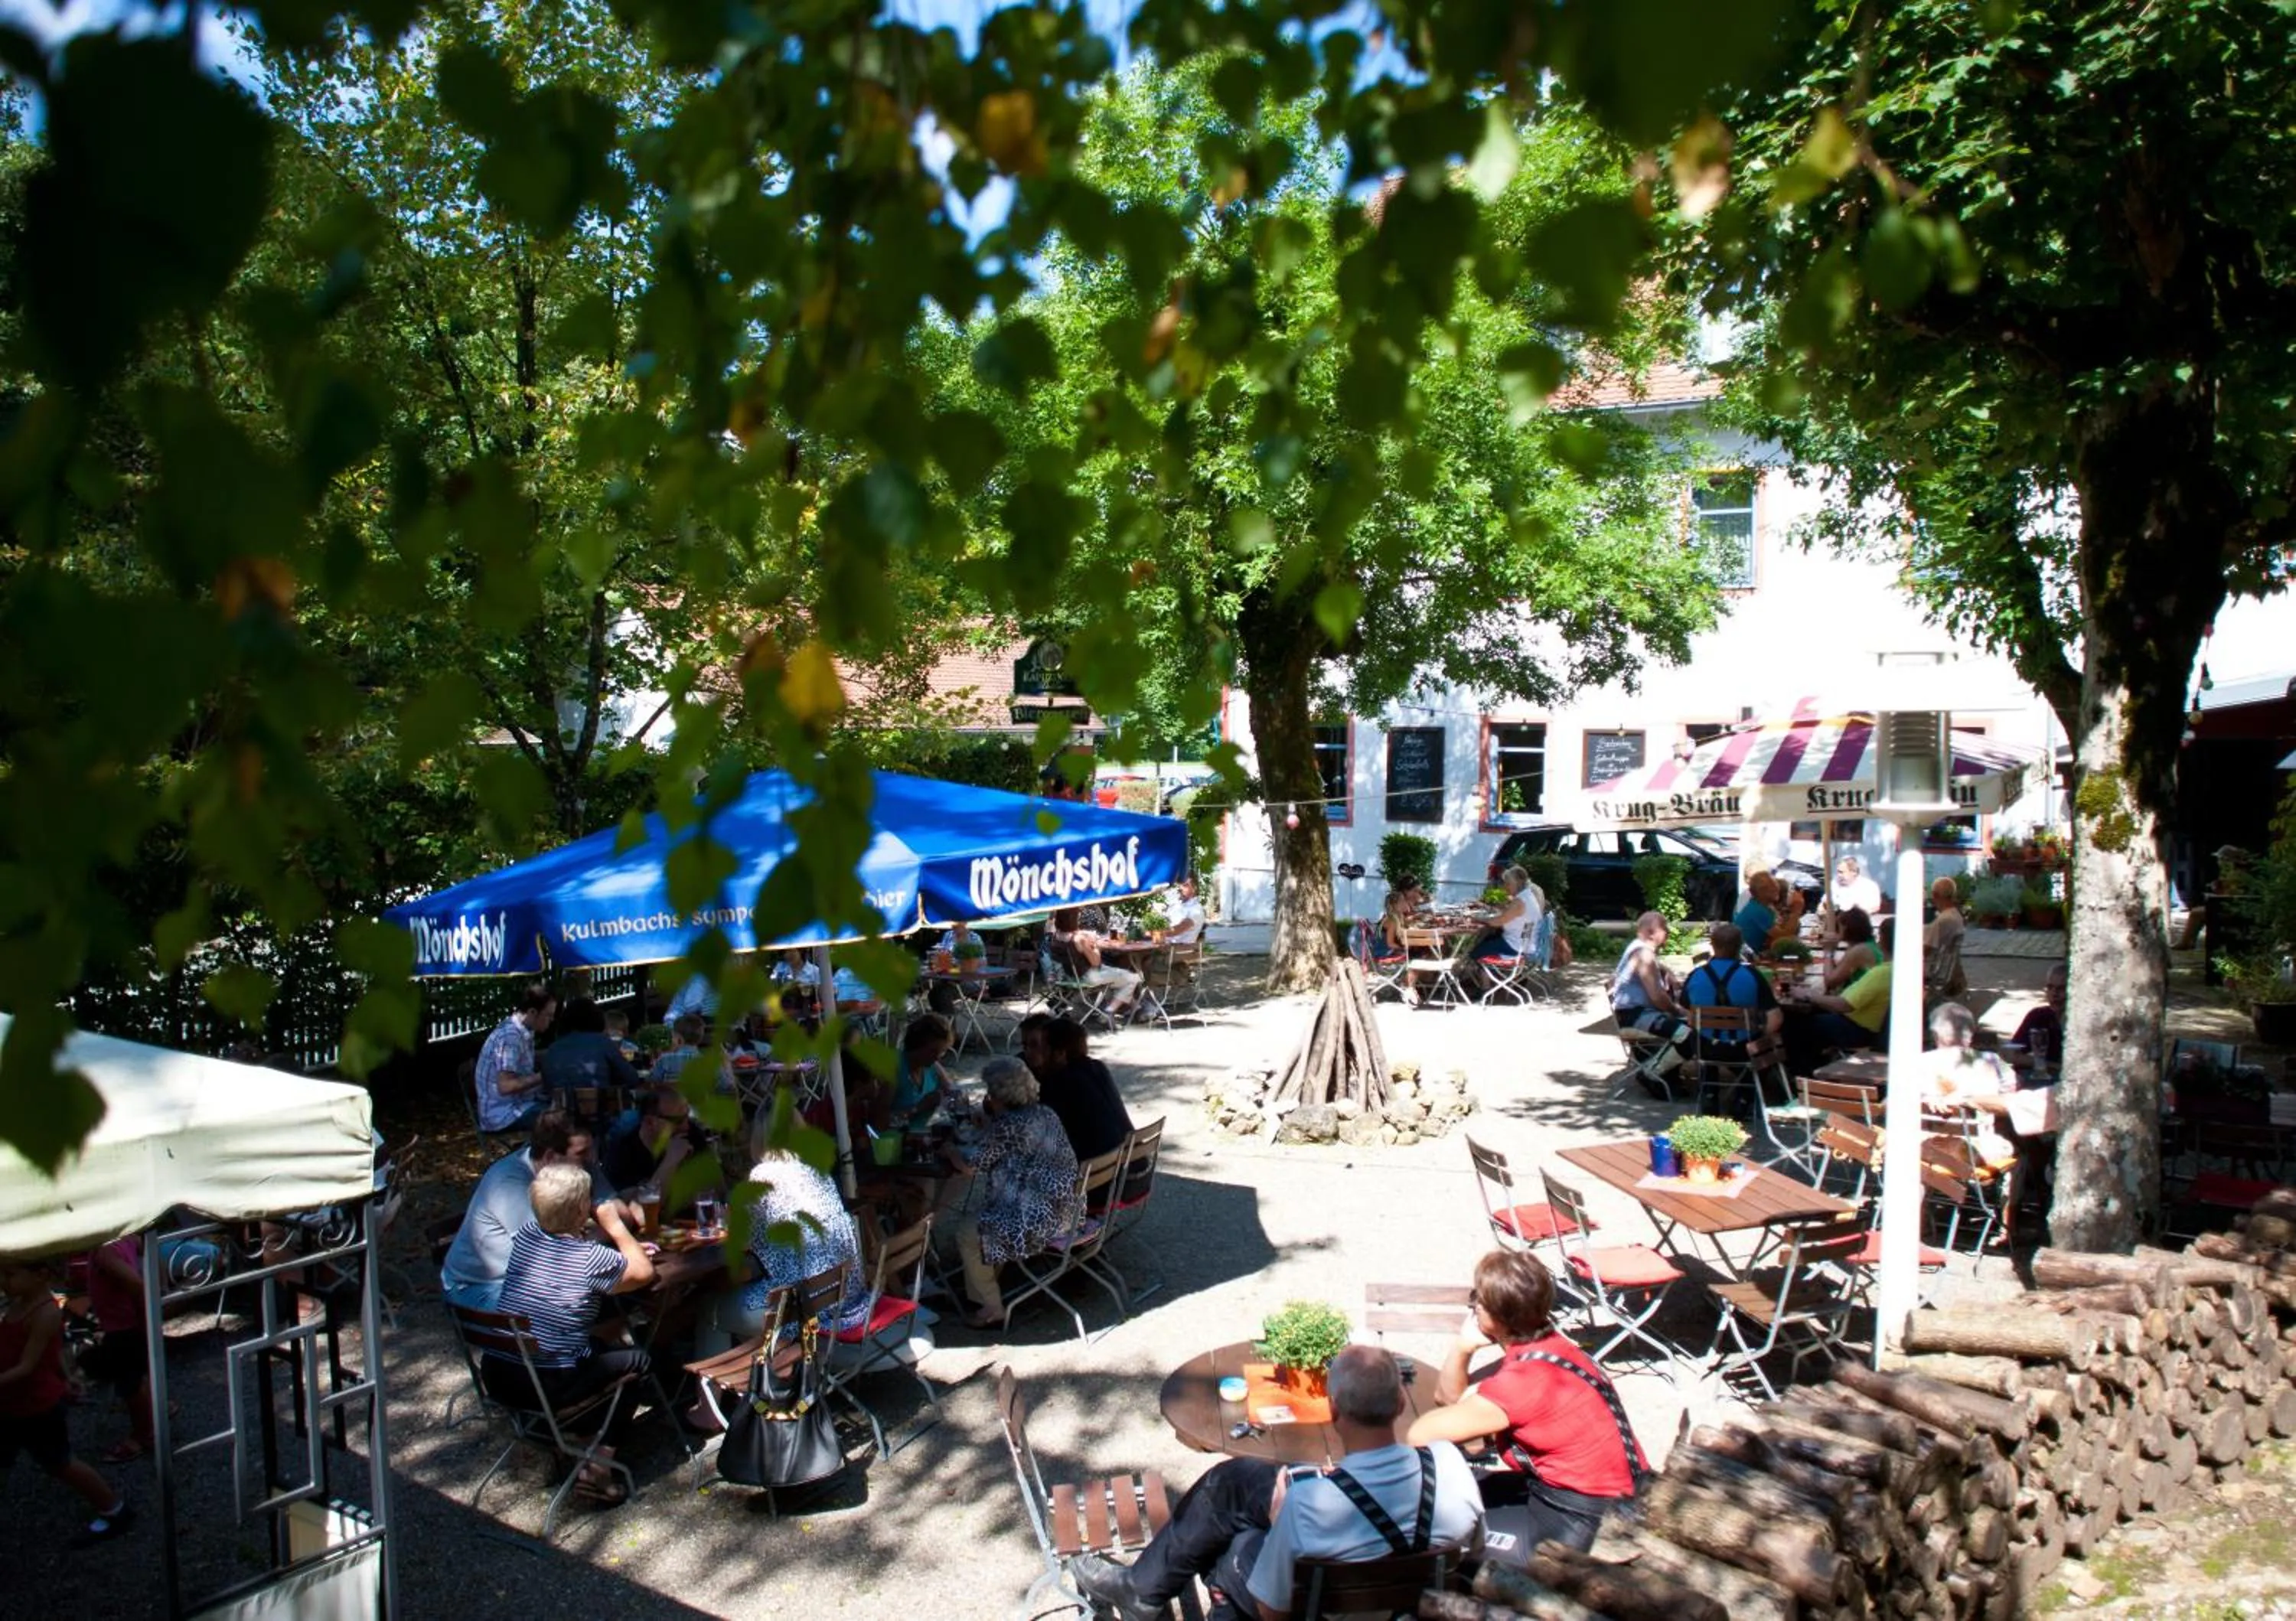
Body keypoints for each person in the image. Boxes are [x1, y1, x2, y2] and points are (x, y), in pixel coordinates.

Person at [1069, 1345, 1484, 1621]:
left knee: (1234, 1539)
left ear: (1333, 1411)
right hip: (1408, 1601)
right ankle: (1144, 1588)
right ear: (1399, 1405)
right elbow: (1471, 1551)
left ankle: (1143, 1590)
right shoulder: (1449, 1465)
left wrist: (1287, 1516)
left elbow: (1273, 1612)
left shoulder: (1309, 1504)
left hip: (1326, 1609)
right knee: (1237, 1485)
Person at [1404, 1251, 1644, 1555]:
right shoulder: (1552, 1349)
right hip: (1612, 1498)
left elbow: (1420, 1434)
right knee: (1470, 1488)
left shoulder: (1522, 1383)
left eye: (1479, 1299)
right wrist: (1464, 1346)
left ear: (1498, 1316)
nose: (1474, 1305)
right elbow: (1449, 1399)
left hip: (1584, 1520)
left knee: (1447, 1531)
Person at [484, 1163, 656, 1508]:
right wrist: (618, 1231)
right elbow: (644, 1274)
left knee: (598, 1344)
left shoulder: (528, 1236)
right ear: (583, 1209)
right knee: (638, 1360)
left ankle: (583, 1436)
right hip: (549, 1383)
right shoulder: (591, 1259)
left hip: (502, 1371)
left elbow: (565, 1249)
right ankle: (599, 1467)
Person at [695, 1119, 872, 1357]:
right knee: (747, 1288)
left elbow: (746, 1240)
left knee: (709, 1308)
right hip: (847, 1299)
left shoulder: (764, 1176)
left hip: (805, 1310)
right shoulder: (815, 1168)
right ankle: (770, 1374)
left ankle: (715, 1392)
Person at [0, 1256, 133, 1544]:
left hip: (36, 1406)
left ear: (41, 1275)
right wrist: (67, 1377)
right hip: (12, 1402)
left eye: (10, 1274)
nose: (4, 1282)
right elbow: (55, 1352)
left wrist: (61, 1380)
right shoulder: (19, 1302)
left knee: (60, 1462)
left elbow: (29, 1365)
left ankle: (115, 1509)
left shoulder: (45, 1312)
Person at [945, 1056, 1084, 1331]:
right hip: (1067, 1212)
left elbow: (971, 1167)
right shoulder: (1045, 1113)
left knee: (967, 1231)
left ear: (998, 1095)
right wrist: (989, 1125)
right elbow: (1014, 1142)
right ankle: (984, 1289)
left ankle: (991, 1307)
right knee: (979, 1225)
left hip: (1034, 1221)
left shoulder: (1007, 1125)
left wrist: (949, 1150)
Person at [442, 1111, 628, 1309]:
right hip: (482, 1286)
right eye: (582, 1153)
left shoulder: (579, 1165)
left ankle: (613, 1337)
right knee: (579, 1301)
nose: (592, 1159)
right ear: (550, 1157)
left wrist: (590, 1240)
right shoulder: (510, 1183)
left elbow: (622, 1214)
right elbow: (549, 1255)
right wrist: (608, 1236)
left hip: (534, 1276)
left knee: (625, 1290)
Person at [1680, 921, 1784, 1119]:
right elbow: (1776, 1018)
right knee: (1770, 1043)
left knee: (1700, 1035)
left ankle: (1710, 1093)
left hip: (1706, 1048)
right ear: (1740, 946)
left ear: (1712, 945)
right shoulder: (1752, 975)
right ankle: (1744, 1097)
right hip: (1744, 1049)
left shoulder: (1696, 975)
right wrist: (1760, 1037)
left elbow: (1688, 1014)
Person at [1788, 918, 1894, 1073]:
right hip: (1872, 1027)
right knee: (1807, 1018)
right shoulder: (1896, 968)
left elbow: (1843, 1002)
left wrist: (1807, 995)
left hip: (1859, 1029)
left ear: (1883, 940)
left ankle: (1804, 1075)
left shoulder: (1881, 970)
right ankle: (1814, 1066)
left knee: (1795, 1025)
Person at [82, 1237, 155, 1463]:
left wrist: (146, 1317)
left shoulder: (104, 1250)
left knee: (129, 1383)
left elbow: (135, 1284)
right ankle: (155, 1412)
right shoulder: (126, 1237)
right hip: (124, 1324)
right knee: (136, 1375)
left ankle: (143, 1435)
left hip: (124, 1327)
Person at [1035, 1016, 1134, 1169]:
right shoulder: (1098, 1068)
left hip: (1099, 1178)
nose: (1039, 1055)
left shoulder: (1059, 1083)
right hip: (1128, 1168)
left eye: (1043, 1049)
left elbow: (1040, 1132)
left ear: (1060, 1053)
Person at [1609, 912, 1691, 1096]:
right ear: (1651, 932)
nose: (1668, 933)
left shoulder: (1637, 948)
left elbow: (1654, 966)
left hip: (1633, 1013)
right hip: (1635, 1016)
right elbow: (1657, 997)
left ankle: (1668, 1078)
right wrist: (1678, 1011)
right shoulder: (1644, 954)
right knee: (1689, 1034)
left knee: (1685, 1029)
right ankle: (1651, 1073)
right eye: (1665, 929)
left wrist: (1667, 971)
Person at [474, 982, 556, 1133]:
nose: (551, 1020)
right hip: (503, 1115)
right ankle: (540, 1156)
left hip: (519, 1103)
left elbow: (521, 1058)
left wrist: (557, 1053)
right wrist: (544, 1075)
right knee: (560, 1119)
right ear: (532, 1012)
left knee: (562, 1106)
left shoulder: (522, 1029)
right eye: (548, 1015)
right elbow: (506, 1086)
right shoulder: (510, 1038)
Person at [600, 1082, 709, 1195]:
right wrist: (671, 1161)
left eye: (687, 1117)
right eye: (678, 1121)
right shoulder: (622, 1153)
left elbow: (717, 1190)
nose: (686, 1126)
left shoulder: (692, 1134)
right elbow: (639, 1207)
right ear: (650, 1122)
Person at [541, 996, 646, 1101]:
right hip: (598, 1111)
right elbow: (632, 1079)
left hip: (560, 1113)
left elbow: (547, 1087)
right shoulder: (603, 1042)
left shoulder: (552, 1049)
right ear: (597, 1018)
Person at [1048, 906, 1142, 1017]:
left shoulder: (1056, 936)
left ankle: (1137, 1007)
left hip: (1069, 976)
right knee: (1133, 978)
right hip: (1089, 976)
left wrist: (1085, 934)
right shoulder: (1079, 939)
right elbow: (1096, 962)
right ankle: (1108, 1012)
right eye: (1078, 916)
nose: (1079, 918)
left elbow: (1070, 934)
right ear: (1073, 919)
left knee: (1123, 979)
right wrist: (1095, 946)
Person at [889, 1013, 955, 1128]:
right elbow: (878, 1121)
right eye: (933, 1051)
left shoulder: (932, 1066)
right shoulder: (894, 1069)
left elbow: (953, 1092)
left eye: (942, 1052)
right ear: (917, 1045)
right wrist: (918, 1108)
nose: (937, 1057)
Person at [1472, 866, 1544, 966]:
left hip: (1515, 946)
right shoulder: (1528, 896)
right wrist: (1484, 907)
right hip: (1525, 944)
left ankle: (1485, 978)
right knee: (1489, 940)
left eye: (1508, 883)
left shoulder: (1520, 901)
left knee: (1475, 953)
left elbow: (1497, 922)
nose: (1505, 887)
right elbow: (1505, 913)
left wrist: (1477, 918)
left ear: (1517, 883)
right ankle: (1487, 977)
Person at [1924, 876, 1970, 1001]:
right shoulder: (1956, 915)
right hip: (1946, 965)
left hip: (1933, 967)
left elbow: (1925, 950)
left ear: (1935, 895)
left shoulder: (1943, 920)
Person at [647, 1013, 718, 1090]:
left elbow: (650, 1083)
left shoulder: (664, 1060)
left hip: (670, 1101)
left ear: (678, 1038)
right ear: (700, 1037)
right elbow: (726, 1086)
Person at [2012, 964, 2066, 1062]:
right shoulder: (2038, 1015)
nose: (2054, 994)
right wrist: (2052, 1066)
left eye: (2061, 989)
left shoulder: (2084, 1021)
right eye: (2050, 987)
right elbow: (2014, 1054)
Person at [1822, 907, 1880, 992]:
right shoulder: (1868, 945)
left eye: (1839, 926)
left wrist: (1828, 953)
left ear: (1846, 928)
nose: (1837, 930)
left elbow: (1830, 982)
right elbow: (1838, 972)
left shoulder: (1860, 950)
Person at [1733, 871, 1782, 952]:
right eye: (1772, 886)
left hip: (1754, 954)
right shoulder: (1758, 910)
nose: (1777, 888)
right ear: (1761, 891)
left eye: (1776, 884)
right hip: (1747, 958)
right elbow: (1782, 936)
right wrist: (1797, 910)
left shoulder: (1762, 906)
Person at [1834, 853, 1883, 918]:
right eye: (1838, 872)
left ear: (1854, 872)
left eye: (1841, 872)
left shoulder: (1869, 887)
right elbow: (1825, 903)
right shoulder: (1834, 884)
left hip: (1861, 923)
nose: (1839, 875)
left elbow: (1875, 907)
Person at [1166, 875, 1208, 945]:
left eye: (1185, 885)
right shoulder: (1177, 906)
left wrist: (1151, 933)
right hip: (1165, 948)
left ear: (1194, 888)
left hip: (1177, 951)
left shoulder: (1196, 910)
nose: (1180, 889)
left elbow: (1176, 930)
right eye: (1179, 886)